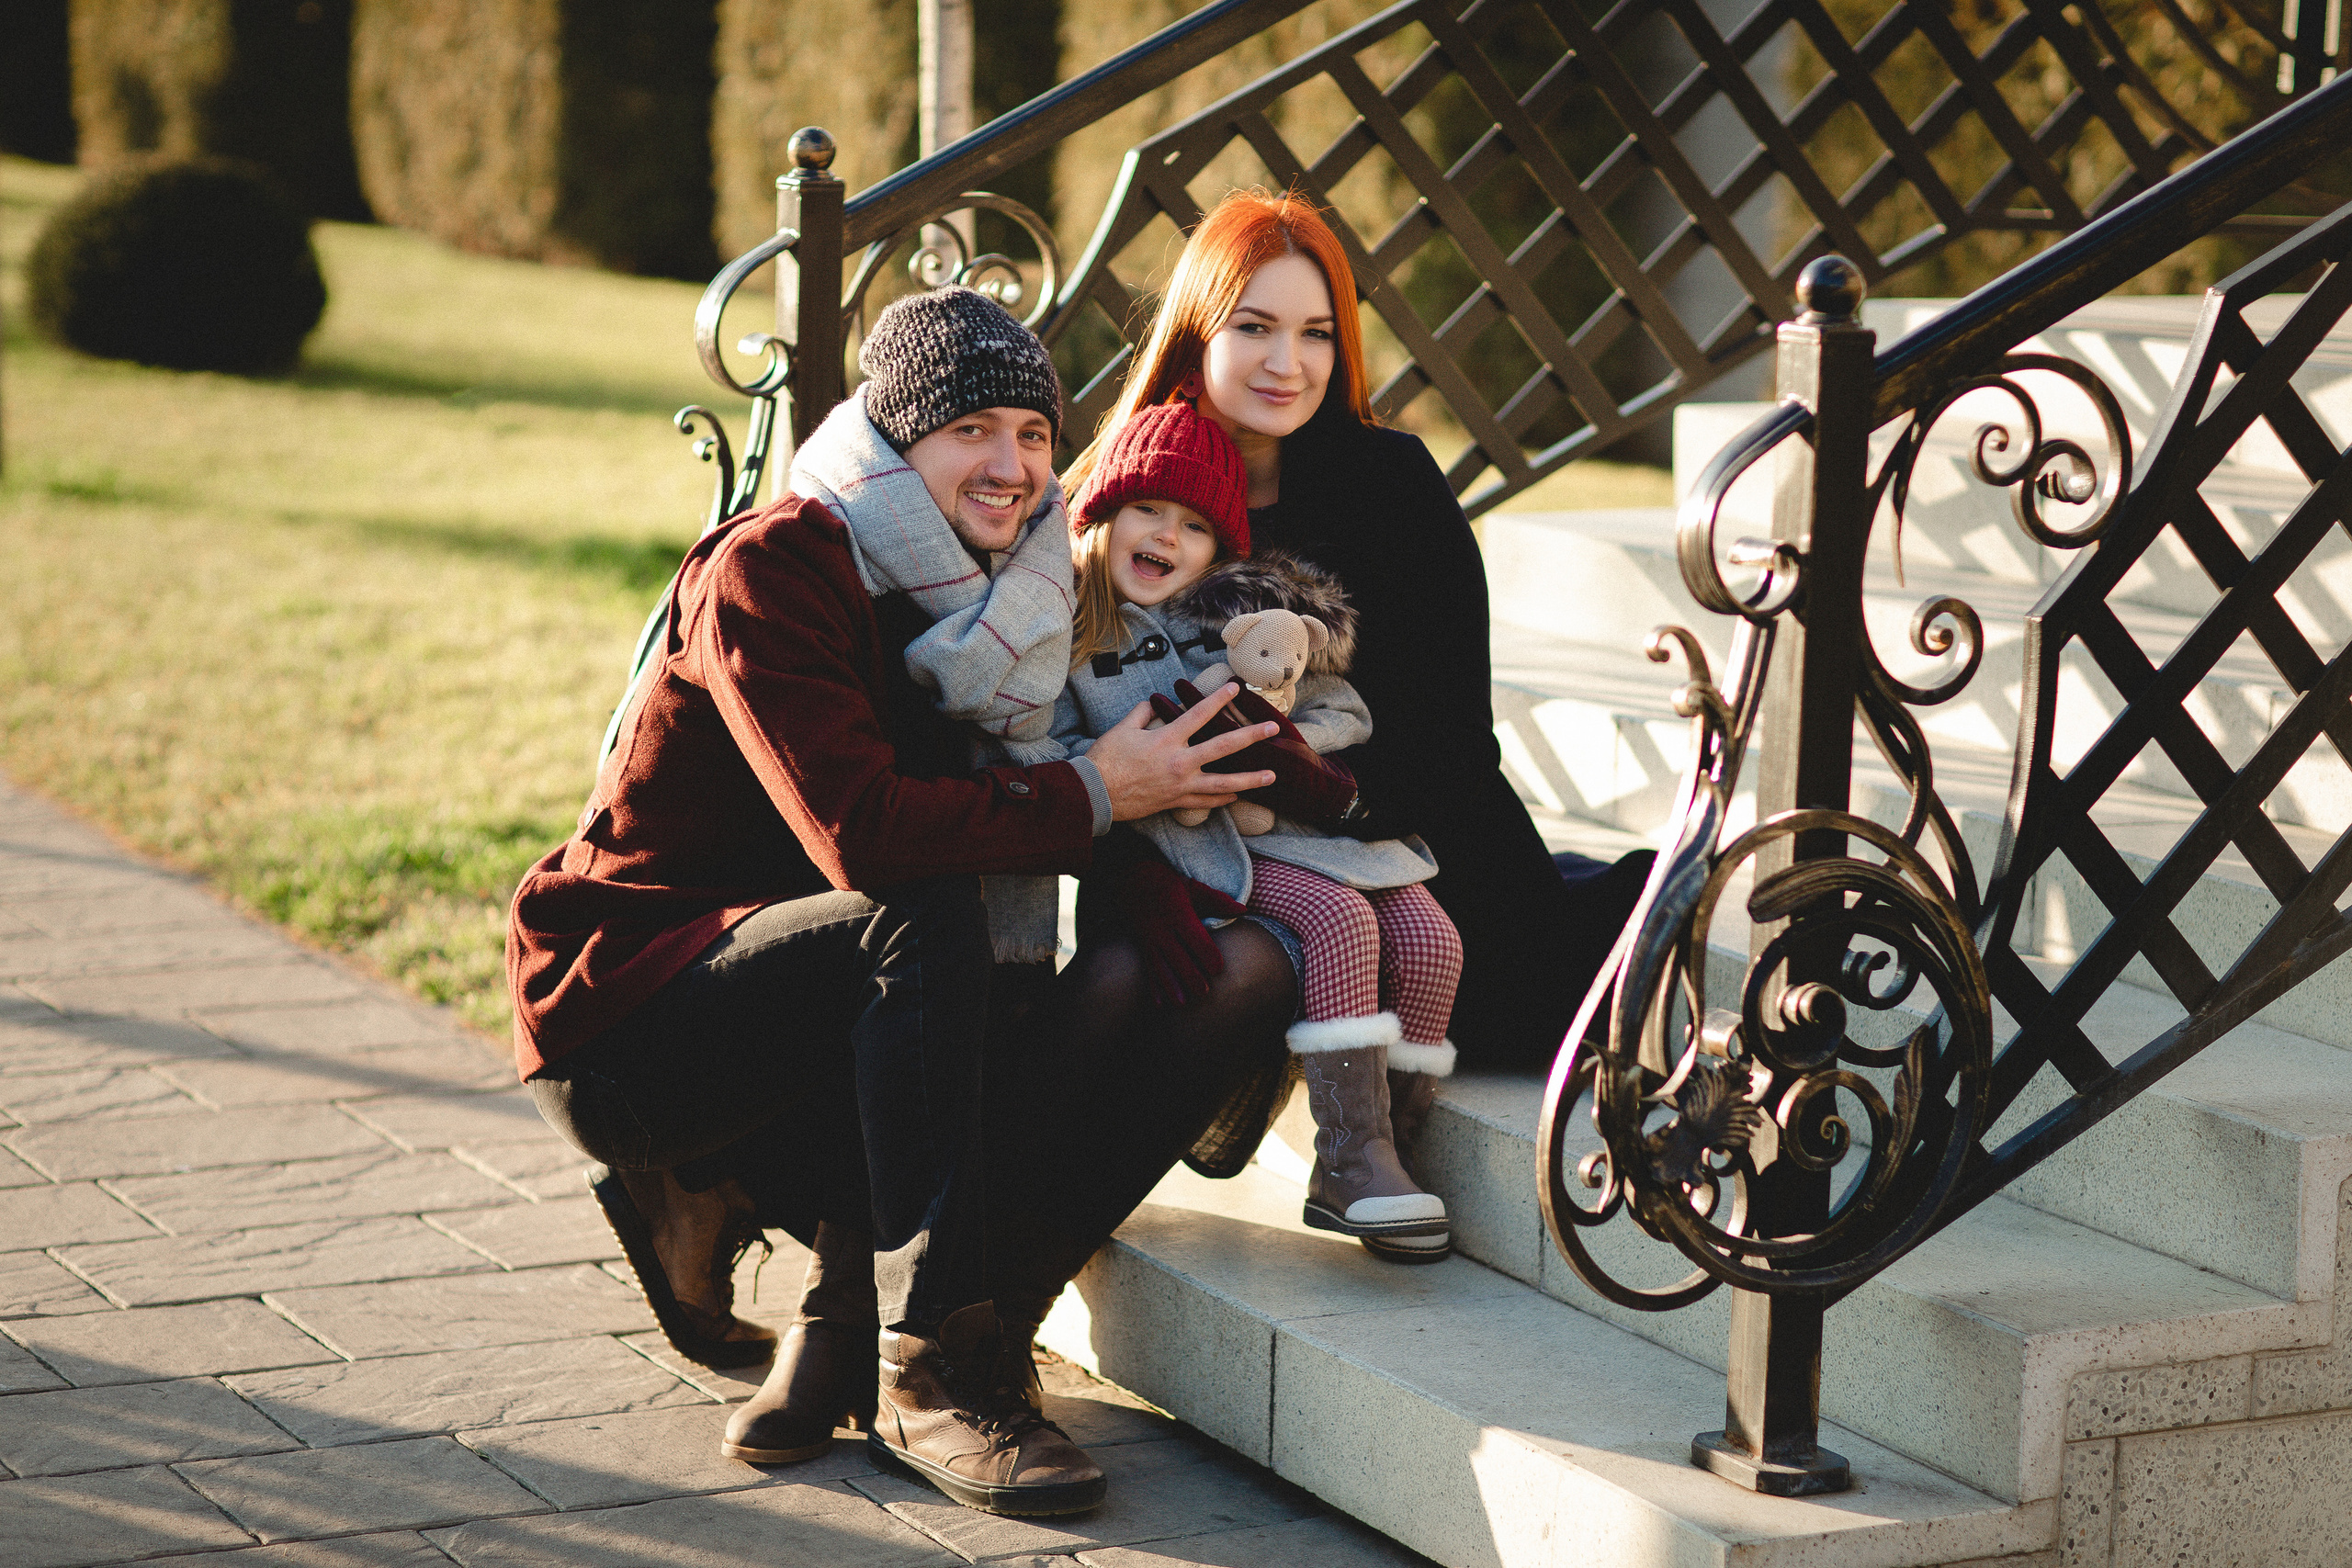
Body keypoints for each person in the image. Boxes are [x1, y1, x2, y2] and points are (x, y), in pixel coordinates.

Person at [505, 287, 1303, 1517]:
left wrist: (1142, 849)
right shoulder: (779, 563)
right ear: (898, 438)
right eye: (973, 428)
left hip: (842, 1018)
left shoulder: (1012, 604)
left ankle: (892, 1322)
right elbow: (865, 829)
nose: (1012, 463)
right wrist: (1099, 791)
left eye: (1035, 435)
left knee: (1232, 968)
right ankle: (928, 1368)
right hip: (639, 1015)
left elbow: (1002, 802)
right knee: (919, 909)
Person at [1063, 191, 1655, 1117]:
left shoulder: (1394, 486)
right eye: (1253, 326)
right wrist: (1123, 866)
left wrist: (1336, 793)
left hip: (1392, 836)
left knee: (1537, 1005)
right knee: (1127, 989)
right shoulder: (1128, 493)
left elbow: (1455, 741)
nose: (1286, 364)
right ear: (1194, 333)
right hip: (1184, 855)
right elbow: (1041, 718)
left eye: (1316, 334)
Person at [1051, 400, 1460, 1262]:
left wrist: (1306, 751)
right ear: (1104, 512)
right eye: (1148, 509)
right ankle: (1348, 1159)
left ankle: (1393, 1145)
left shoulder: (1233, 618)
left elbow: (1333, 705)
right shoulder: (1071, 628)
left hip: (1294, 825)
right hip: (1197, 846)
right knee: (1340, 921)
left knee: (1431, 937)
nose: (1167, 535)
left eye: (1196, 526)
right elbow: (1049, 747)